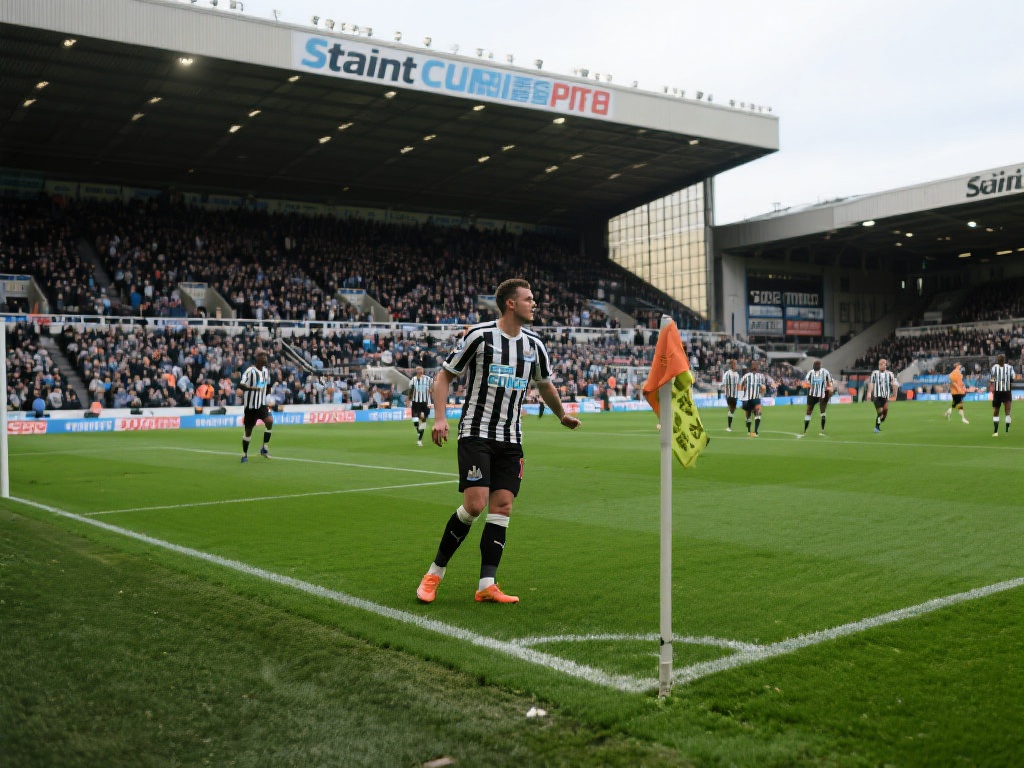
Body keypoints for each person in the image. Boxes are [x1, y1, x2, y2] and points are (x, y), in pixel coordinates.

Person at [416, 278, 581, 605]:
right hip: (476, 433)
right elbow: (444, 376)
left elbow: (545, 384)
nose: (533, 304)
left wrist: (562, 415)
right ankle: (434, 573)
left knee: (502, 506)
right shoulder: (479, 336)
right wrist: (439, 418)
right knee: (475, 504)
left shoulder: (534, 345)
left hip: (511, 438)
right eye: (528, 299)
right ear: (510, 303)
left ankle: (487, 584)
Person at [237, 349, 274, 462]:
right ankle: (245, 454)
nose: (265, 358)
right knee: (248, 431)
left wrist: (268, 394)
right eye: (262, 356)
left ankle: (264, 448)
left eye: (266, 356)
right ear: (257, 358)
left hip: (261, 404)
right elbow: (241, 385)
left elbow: (267, 385)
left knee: (269, 421)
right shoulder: (250, 371)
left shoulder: (266, 371)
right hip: (251, 407)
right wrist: (252, 388)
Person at [799, 360, 834, 437]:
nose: (815, 367)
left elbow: (830, 383)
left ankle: (819, 431)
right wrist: (808, 385)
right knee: (811, 411)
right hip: (813, 394)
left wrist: (829, 388)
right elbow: (804, 384)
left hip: (821, 394)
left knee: (820, 411)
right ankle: (806, 430)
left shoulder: (825, 372)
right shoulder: (811, 373)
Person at [866, 358, 898, 433]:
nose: (884, 366)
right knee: (880, 412)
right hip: (877, 397)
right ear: (879, 365)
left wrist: (895, 394)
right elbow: (871, 383)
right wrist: (869, 393)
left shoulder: (890, 374)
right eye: (882, 364)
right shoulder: (875, 373)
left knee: (885, 412)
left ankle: (880, 420)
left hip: (885, 397)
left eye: (885, 364)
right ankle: (877, 427)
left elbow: (894, 384)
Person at [989, 353, 1016, 437]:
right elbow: (1013, 377)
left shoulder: (994, 367)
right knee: (1007, 411)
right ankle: (1007, 429)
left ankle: (995, 431)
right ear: (1004, 360)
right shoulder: (1009, 367)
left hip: (998, 391)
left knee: (996, 411)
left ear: (998, 360)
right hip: (1006, 391)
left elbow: (992, 379)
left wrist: (992, 387)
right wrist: (1008, 382)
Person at [740, 361, 767, 437]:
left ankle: (753, 431)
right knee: (754, 414)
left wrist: (741, 396)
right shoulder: (749, 376)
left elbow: (763, 388)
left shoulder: (758, 376)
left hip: (752, 398)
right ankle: (753, 431)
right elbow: (763, 388)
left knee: (754, 413)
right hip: (750, 398)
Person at [407, 366, 433, 446]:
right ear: (416, 371)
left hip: (425, 403)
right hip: (415, 403)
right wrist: (409, 400)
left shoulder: (428, 379)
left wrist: (432, 391)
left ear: (423, 370)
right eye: (418, 369)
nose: (420, 371)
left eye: (421, 369)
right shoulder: (413, 380)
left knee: (422, 420)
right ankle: (419, 431)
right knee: (415, 421)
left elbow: (433, 388)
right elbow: (411, 391)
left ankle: (419, 440)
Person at [720, 359, 740, 432]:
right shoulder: (727, 374)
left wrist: (739, 394)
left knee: (732, 410)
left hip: (735, 395)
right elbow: (724, 384)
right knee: (731, 409)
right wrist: (727, 394)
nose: (736, 365)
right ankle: (729, 427)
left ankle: (729, 426)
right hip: (729, 395)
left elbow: (738, 385)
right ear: (732, 365)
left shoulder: (737, 374)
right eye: (735, 364)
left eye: (736, 364)